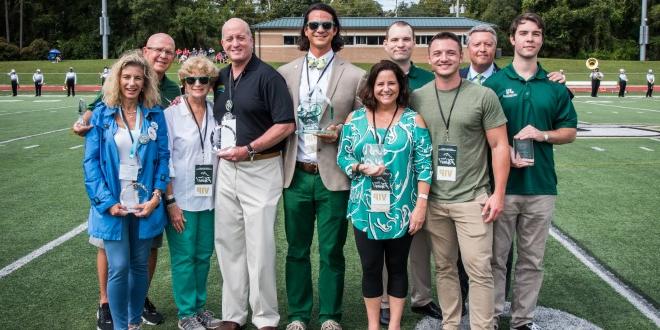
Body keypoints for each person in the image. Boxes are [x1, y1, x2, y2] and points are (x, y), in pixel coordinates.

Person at [74, 33, 180, 330]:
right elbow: (91, 165)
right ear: (118, 80)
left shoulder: (155, 114)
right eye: (127, 77)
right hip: (113, 203)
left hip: (145, 203)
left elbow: (162, 159)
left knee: (138, 267)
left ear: (145, 82)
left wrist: (157, 196)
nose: (132, 83)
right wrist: (107, 203)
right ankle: (119, 325)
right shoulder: (104, 116)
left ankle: (133, 323)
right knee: (119, 268)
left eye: (138, 78)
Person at [483, 13, 577, 330]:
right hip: (502, 188)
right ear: (512, 39)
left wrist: (542, 135)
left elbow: (570, 131)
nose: (530, 39)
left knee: (532, 261)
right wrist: (505, 148)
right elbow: (479, 130)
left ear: (541, 39)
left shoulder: (554, 87)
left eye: (536, 34)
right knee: (496, 259)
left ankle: (522, 320)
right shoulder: (494, 84)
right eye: (523, 33)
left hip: (541, 187)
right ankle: (493, 317)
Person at [411, 32, 510, 330]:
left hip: (472, 199)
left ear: (461, 56)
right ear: (429, 59)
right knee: (443, 267)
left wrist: (498, 194)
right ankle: (450, 324)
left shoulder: (483, 96)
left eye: (451, 53)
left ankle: (482, 326)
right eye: (438, 53)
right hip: (435, 200)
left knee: (479, 269)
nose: (444, 58)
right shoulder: (418, 97)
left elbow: (499, 146)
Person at [276, 4, 365, 330]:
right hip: (296, 173)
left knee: (332, 252)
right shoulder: (285, 73)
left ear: (335, 30)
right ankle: (298, 315)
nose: (320, 30)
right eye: (313, 25)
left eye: (326, 25)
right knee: (296, 251)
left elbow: (364, 124)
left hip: (334, 177)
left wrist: (344, 131)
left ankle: (330, 315)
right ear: (305, 30)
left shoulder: (355, 75)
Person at [213, 18, 295, 330]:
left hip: (259, 166)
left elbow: (285, 124)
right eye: (229, 38)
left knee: (260, 247)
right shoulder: (219, 77)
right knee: (229, 244)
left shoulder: (268, 76)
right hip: (227, 169)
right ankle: (233, 315)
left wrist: (249, 148)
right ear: (223, 44)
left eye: (241, 38)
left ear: (251, 40)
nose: (235, 43)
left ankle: (265, 318)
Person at [337, 60, 432, 330]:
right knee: (370, 267)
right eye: (380, 83)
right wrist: (357, 167)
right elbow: (343, 156)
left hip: (402, 208)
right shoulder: (354, 120)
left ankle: (395, 325)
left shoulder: (414, 120)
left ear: (400, 86)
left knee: (398, 266)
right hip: (364, 208)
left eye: (392, 83)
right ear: (371, 87)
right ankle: (373, 325)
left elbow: (424, 165)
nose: (386, 88)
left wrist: (421, 205)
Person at [379, 20, 440, 325]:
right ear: (386, 43)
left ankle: (422, 297)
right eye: (395, 39)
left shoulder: (430, 79)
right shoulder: (375, 77)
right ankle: (388, 299)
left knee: (418, 241)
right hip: (383, 177)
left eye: (407, 39)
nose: (401, 44)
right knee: (385, 236)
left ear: (413, 43)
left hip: (420, 173)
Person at [163, 56, 221, 330]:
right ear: (183, 83)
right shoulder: (171, 115)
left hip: (209, 198)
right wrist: (171, 201)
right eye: (191, 79)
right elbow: (165, 160)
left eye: (204, 79)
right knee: (184, 258)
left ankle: (199, 307)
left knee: (203, 255)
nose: (197, 84)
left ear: (210, 84)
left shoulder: (216, 111)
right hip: (181, 198)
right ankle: (186, 313)